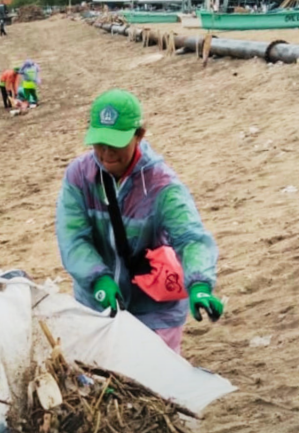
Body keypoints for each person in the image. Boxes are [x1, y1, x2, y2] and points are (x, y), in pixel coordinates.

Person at [55, 90, 223, 355]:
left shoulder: (161, 185)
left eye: (116, 143)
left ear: (139, 135)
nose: (106, 152)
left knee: (155, 385)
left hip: (154, 308)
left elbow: (190, 238)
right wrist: (98, 279)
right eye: (99, 142)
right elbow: (73, 236)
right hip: (99, 304)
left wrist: (200, 285)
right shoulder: (79, 176)